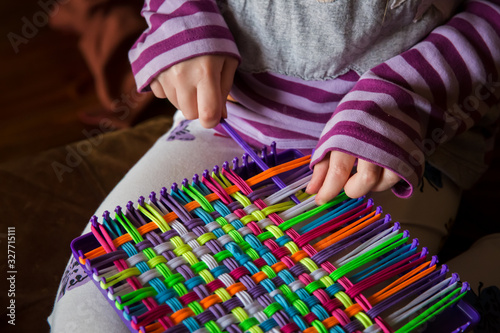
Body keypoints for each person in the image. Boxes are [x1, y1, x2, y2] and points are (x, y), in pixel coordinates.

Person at [49, 0, 500, 331]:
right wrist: (183, 24)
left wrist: (401, 103)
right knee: (86, 314)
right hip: (231, 121)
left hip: (400, 145)